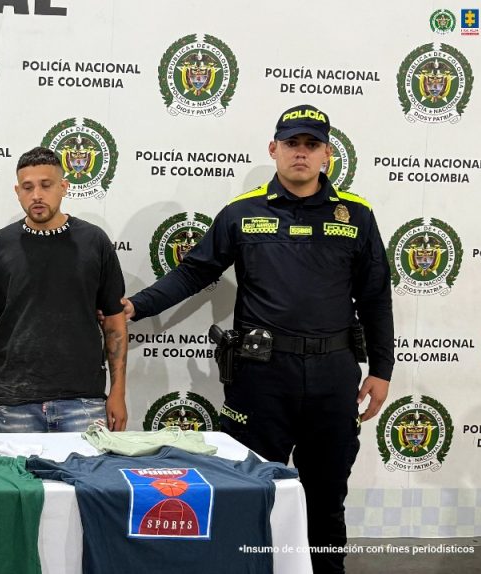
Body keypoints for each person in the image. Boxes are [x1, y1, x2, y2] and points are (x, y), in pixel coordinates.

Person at [123, 104, 393, 574]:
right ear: (274, 150)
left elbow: (375, 298)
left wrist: (383, 371)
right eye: (292, 144)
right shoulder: (241, 214)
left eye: (312, 145)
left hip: (333, 377)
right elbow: (194, 273)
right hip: (260, 377)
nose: (301, 154)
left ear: (328, 154)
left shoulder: (357, 216)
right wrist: (135, 307)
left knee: (325, 501)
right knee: (249, 492)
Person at [0, 147, 128, 432]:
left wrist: (118, 392)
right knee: (19, 478)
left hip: (83, 402)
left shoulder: (94, 242)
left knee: (84, 477)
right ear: (17, 191)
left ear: (64, 187)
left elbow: (114, 323)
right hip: (15, 404)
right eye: (27, 187)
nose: (36, 195)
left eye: (46, 185)